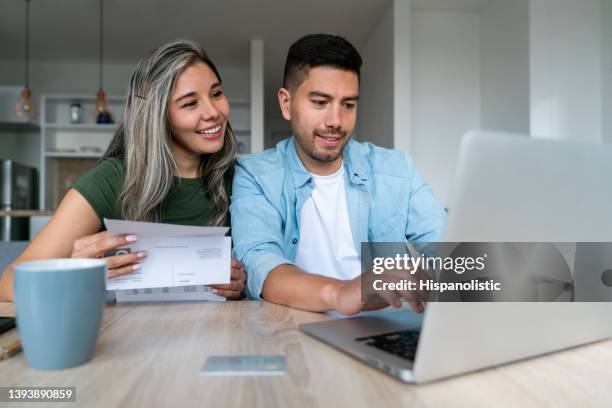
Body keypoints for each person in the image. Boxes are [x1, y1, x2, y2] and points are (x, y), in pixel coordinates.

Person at [0, 39, 246, 302]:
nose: (214, 112)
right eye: (190, 103)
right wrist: (73, 273)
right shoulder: (110, 180)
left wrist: (243, 283)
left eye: (216, 94)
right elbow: (8, 286)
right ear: (156, 116)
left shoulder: (242, 179)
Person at [230, 34, 446, 315]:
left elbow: (448, 250)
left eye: (348, 105)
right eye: (320, 102)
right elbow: (260, 262)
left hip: (384, 328)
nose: (336, 121)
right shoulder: (255, 174)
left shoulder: (396, 169)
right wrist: (342, 292)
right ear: (286, 103)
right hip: (293, 329)